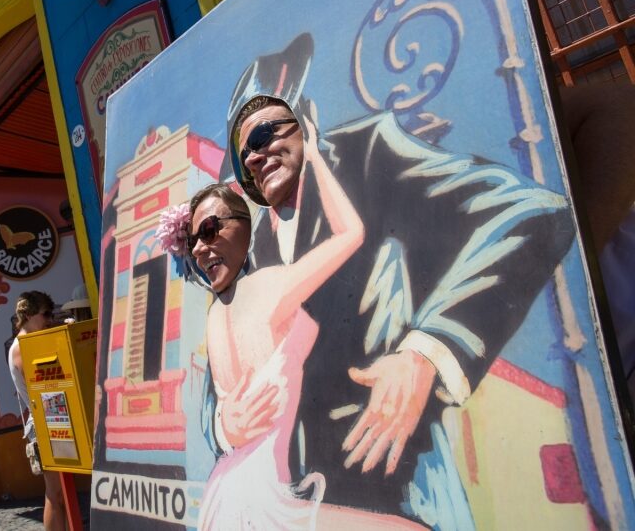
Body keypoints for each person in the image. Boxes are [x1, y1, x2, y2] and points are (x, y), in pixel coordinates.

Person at [209, 33, 575, 526]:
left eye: (266, 133)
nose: (255, 155)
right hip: (298, 492)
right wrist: (223, 423)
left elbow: (529, 211)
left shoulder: (367, 155)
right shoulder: (250, 244)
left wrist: (424, 352)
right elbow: (231, 345)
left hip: (400, 473)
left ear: (308, 122)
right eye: (242, 154)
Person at [8, 291, 67, 531]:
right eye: (46, 314)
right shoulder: (24, 346)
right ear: (29, 315)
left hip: (49, 418)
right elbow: (44, 381)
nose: (50, 319)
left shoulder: (29, 342)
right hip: (43, 422)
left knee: (60, 492)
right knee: (55, 493)